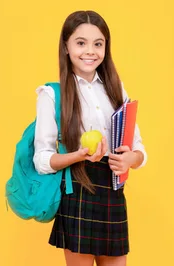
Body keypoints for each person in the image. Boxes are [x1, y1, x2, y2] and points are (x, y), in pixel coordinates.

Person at [32, 10, 148, 266]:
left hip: (113, 190)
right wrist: (79, 154)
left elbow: (140, 149)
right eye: (81, 43)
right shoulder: (52, 95)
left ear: (106, 47)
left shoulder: (116, 89)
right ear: (66, 46)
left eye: (98, 44)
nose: (90, 51)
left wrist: (130, 159)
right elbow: (41, 160)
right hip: (78, 190)